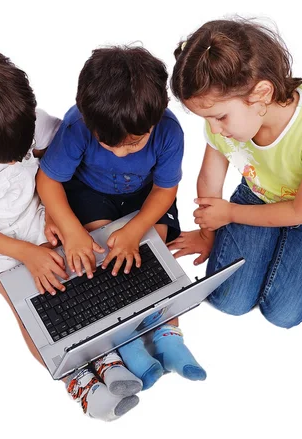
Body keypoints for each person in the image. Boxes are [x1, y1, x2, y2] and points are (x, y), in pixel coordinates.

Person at [0, 49, 141, 421]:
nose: (13, 161)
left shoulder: (24, 121)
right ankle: (77, 381)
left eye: (18, 153)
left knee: (77, 275)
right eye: (0, 158)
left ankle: (105, 357)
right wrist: (26, 253)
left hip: (34, 214)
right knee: (34, 303)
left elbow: (54, 165)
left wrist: (56, 213)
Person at [168, 18, 302, 328]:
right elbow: (209, 178)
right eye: (208, 119)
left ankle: (272, 246)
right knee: (228, 301)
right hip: (255, 197)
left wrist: (229, 214)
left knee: (284, 315)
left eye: (219, 117)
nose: (214, 129)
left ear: (261, 94)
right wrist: (208, 234)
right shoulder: (226, 119)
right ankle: (260, 241)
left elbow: (301, 211)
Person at [36, 46, 207, 391]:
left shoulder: (169, 132)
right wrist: (71, 231)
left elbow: (164, 190)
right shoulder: (78, 125)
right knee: (107, 257)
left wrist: (136, 230)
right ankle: (126, 341)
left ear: (158, 116)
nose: (120, 152)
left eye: (133, 144)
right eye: (109, 144)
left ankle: (168, 335)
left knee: (150, 253)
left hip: (147, 197)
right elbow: (48, 180)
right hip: (92, 194)